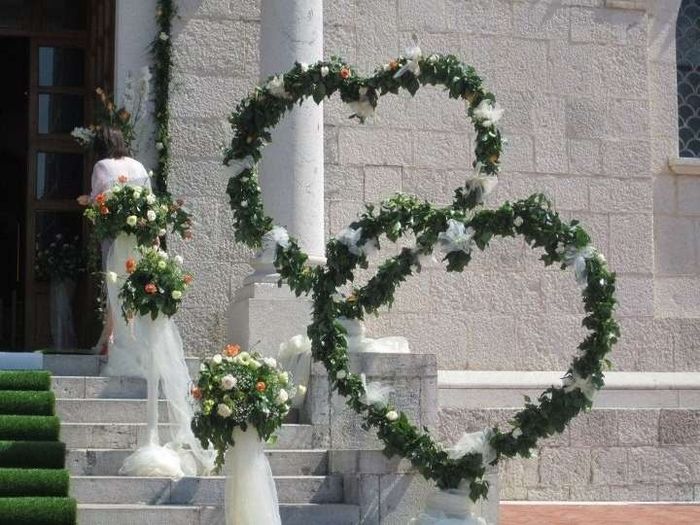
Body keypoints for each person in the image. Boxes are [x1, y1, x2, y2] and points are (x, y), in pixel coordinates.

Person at [76, 127, 152, 355]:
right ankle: (117, 336)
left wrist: (85, 200)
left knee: (113, 282)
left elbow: (100, 198)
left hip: (113, 233)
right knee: (131, 283)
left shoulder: (102, 166)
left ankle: (111, 337)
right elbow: (149, 199)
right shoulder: (138, 166)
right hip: (137, 235)